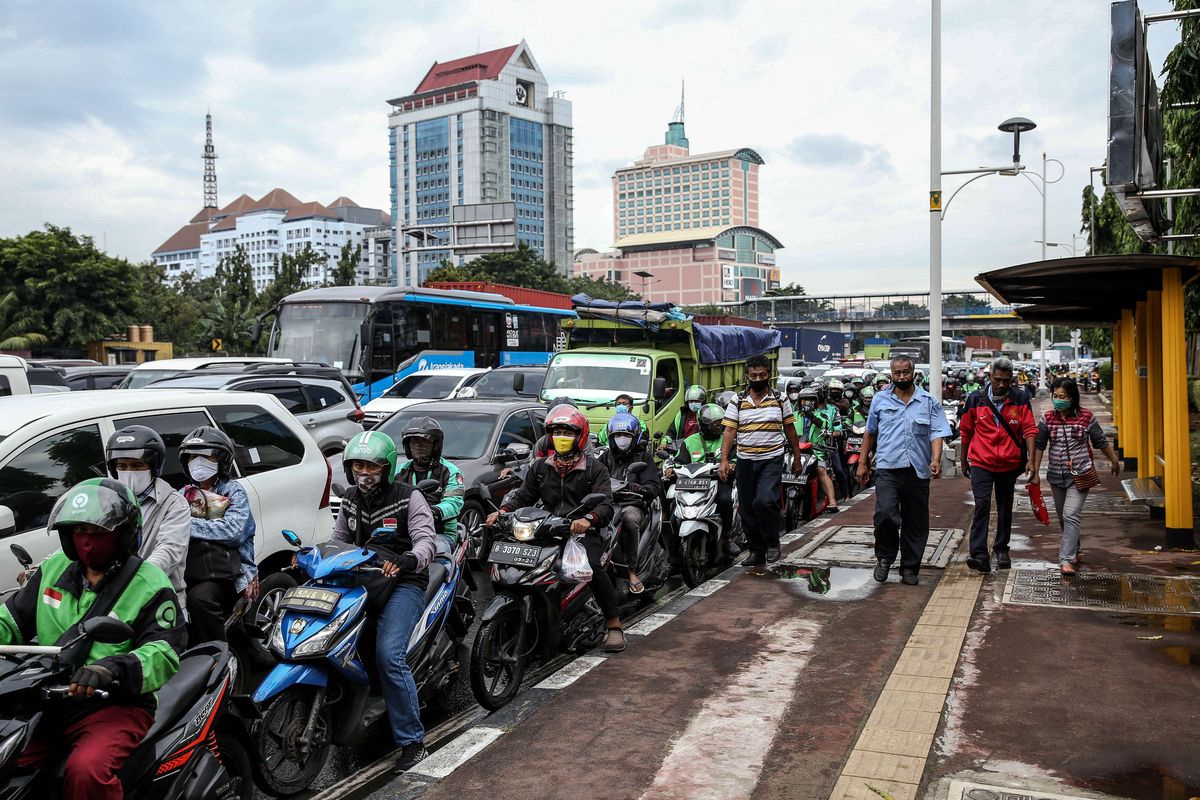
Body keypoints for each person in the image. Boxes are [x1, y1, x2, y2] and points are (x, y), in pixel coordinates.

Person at [2, 478, 184, 800]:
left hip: (113, 704)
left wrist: (111, 668)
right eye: (79, 532)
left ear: (124, 534)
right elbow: (12, 619)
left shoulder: (150, 583)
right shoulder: (55, 568)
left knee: (87, 772)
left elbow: (164, 651)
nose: (87, 542)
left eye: (99, 533)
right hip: (47, 696)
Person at [331, 430, 437, 772]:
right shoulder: (349, 499)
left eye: (371, 466)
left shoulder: (410, 497)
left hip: (404, 582)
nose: (364, 473)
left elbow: (426, 541)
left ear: (387, 467)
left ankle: (412, 741)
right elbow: (338, 540)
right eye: (357, 466)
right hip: (361, 582)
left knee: (389, 655)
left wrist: (408, 559)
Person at [485, 405, 621, 650]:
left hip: (581, 533)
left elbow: (605, 505)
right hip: (545, 528)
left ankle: (614, 625)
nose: (561, 438)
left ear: (580, 437)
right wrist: (502, 511)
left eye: (568, 433)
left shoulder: (594, 468)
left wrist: (588, 519)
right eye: (556, 433)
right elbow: (523, 497)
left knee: (591, 567)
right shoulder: (540, 467)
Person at [859, 355, 952, 585]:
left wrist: (936, 459)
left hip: (917, 470)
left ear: (914, 373)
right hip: (888, 468)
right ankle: (884, 558)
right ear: (892, 373)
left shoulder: (928, 401)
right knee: (885, 514)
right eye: (897, 373)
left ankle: (910, 567)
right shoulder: (880, 400)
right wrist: (862, 463)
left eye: (906, 372)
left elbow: (937, 433)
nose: (902, 377)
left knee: (916, 522)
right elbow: (870, 433)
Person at [719, 355, 806, 566]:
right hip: (745, 461)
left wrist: (796, 457)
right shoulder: (737, 401)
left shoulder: (780, 399)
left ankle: (773, 543)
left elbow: (790, 428)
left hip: (771, 459)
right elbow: (730, 430)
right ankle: (756, 551)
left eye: (762, 375)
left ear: (769, 375)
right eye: (753, 375)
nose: (758, 378)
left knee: (766, 501)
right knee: (747, 508)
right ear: (747, 377)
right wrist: (723, 460)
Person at [1031, 378, 1121, 576]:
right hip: (1055, 475)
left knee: (1070, 514)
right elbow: (1039, 445)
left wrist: (1114, 461)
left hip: (1080, 476)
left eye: (1063, 396)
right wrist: (1035, 472)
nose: (1058, 400)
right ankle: (1076, 549)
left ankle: (1065, 559)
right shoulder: (1047, 418)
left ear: (1072, 398)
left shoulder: (1087, 418)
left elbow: (1099, 441)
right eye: (1056, 396)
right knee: (1064, 518)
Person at [179, 426, 257, 644]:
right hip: (189, 568)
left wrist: (185, 523)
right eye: (193, 456)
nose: (198, 461)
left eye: (205, 456)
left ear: (221, 459)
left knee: (199, 600)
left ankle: (216, 657)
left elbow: (232, 531)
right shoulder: (183, 493)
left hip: (226, 571)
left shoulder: (232, 491)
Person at [959, 357, 1037, 572]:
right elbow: (966, 431)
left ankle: (1001, 549)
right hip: (981, 463)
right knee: (982, 505)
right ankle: (979, 555)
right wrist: (963, 459)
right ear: (989, 378)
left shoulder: (1020, 398)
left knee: (1004, 506)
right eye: (997, 380)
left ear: (1011, 379)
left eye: (1005, 380)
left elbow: (1030, 429)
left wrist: (1031, 460)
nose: (1001, 385)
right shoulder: (976, 399)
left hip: (1009, 464)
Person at [103, 426, 191, 614]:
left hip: (158, 598)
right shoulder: (106, 501)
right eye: (122, 466)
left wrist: (133, 580)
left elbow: (169, 550)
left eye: (137, 466)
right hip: (108, 595)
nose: (129, 472)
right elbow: (83, 537)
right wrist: (43, 567)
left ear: (153, 466)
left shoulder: (174, 504)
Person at [598, 412, 662, 593]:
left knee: (630, 520)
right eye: (617, 435)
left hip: (632, 504)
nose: (622, 439)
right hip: (608, 503)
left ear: (634, 437)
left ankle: (631, 570)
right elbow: (592, 477)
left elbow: (653, 485)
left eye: (626, 435)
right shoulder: (605, 457)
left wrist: (640, 488)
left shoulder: (643, 457)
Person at [669, 403, 740, 556]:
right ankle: (673, 556)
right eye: (713, 424)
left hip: (719, 481)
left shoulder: (727, 440)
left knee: (725, 500)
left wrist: (731, 465)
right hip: (691, 484)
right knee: (674, 513)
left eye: (719, 423)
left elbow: (735, 459)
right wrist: (670, 469)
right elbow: (679, 461)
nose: (717, 427)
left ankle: (726, 538)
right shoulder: (690, 441)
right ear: (702, 424)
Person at [396, 417, 464, 554]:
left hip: (438, 534)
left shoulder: (450, 471)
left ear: (435, 444)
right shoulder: (398, 472)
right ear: (408, 446)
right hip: (403, 533)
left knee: (429, 554)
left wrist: (433, 512)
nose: (419, 445)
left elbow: (454, 502)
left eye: (424, 441)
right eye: (414, 441)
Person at [792, 384, 840, 512]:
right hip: (794, 451)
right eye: (804, 400)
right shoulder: (793, 415)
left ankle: (832, 501)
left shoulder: (822, 416)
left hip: (816, 451)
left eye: (811, 400)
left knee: (821, 470)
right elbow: (783, 430)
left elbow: (824, 425)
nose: (807, 402)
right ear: (799, 401)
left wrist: (811, 416)